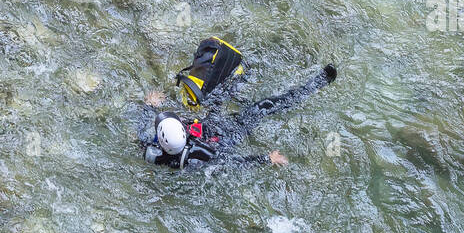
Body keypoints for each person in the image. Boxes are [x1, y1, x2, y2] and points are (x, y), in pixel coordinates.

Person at [141, 62, 337, 171]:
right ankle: (317, 83)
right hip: (228, 135)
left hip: (209, 124)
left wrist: (148, 106)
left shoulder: (154, 150)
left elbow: (140, 136)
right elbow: (234, 163)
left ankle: (244, 72)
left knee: (219, 93)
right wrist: (266, 159)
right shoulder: (200, 156)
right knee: (265, 106)